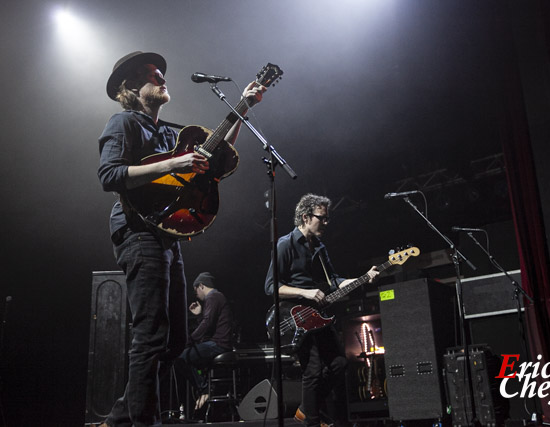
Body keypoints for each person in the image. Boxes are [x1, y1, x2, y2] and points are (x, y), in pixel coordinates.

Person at [97, 51, 265, 427]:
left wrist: (243, 107)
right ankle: (142, 421)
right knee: (151, 335)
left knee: (173, 343)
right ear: (131, 88)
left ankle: (123, 414)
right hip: (138, 231)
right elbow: (109, 175)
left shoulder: (170, 133)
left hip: (167, 237)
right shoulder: (123, 123)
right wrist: (175, 163)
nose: (161, 77)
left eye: (160, 72)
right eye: (151, 74)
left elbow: (215, 154)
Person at [264, 193, 379, 427]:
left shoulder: (319, 247)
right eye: (322, 218)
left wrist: (362, 278)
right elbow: (270, 287)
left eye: (327, 219)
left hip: (319, 316)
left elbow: (334, 281)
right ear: (306, 217)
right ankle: (312, 422)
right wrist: (305, 292)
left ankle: (308, 409)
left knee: (340, 363)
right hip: (295, 317)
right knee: (313, 371)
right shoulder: (285, 244)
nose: (326, 223)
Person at [173, 272, 235, 411]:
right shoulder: (215, 298)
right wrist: (200, 314)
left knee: (180, 358)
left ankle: (204, 389)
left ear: (201, 286)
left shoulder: (213, 296)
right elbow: (209, 324)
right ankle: (201, 390)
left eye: (195, 290)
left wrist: (189, 340)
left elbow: (207, 324)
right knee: (186, 357)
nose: (196, 295)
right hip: (217, 342)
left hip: (219, 344)